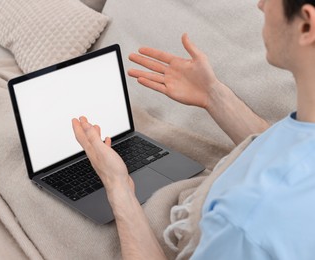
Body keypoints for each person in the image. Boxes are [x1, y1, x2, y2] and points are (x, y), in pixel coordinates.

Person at [72, 0, 315, 258]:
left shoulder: (245, 223)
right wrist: (213, 96)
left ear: (307, 25)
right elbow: (288, 151)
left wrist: (117, 185)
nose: (260, 4)